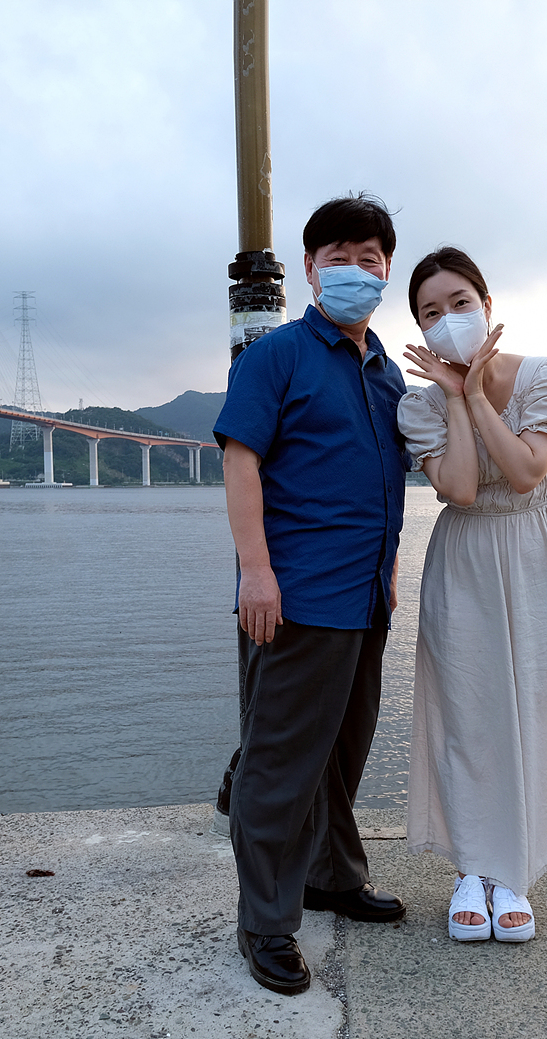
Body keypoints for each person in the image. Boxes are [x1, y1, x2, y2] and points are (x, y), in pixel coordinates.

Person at [213, 194, 409, 996]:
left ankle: (333, 874)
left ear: (387, 270)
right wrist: (255, 571)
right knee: (281, 763)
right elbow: (240, 461)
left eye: (370, 258)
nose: (355, 270)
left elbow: (387, 479)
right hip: (296, 597)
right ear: (309, 268)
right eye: (339, 257)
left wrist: (389, 570)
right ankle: (265, 920)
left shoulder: (387, 370)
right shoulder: (278, 356)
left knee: (340, 751)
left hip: (365, 598)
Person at [396, 246, 547, 943]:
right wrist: (455, 397)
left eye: (460, 303)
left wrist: (478, 393)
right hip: (465, 564)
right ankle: (470, 870)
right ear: (420, 331)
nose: (448, 320)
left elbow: (524, 471)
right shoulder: (419, 404)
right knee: (468, 717)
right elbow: (459, 487)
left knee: (539, 709)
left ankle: (515, 872)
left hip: (539, 554)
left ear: (487, 305)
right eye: (430, 313)